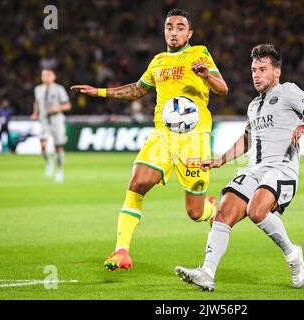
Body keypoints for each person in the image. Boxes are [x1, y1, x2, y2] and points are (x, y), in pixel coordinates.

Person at [71, 9, 228, 271]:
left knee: (195, 213)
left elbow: (223, 89)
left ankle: (211, 210)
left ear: (189, 33)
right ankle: (121, 250)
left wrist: (206, 75)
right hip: (162, 135)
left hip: (194, 139)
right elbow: (137, 90)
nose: (174, 31)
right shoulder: (157, 61)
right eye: (169, 27)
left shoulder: (200, 53)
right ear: (164, 31)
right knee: (137, 183)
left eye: (180, 27)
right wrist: (98, 92)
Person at [174, 44, 304, 291]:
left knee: (257, 210)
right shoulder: (254, 105)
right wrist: (220, 160)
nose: (256, 74)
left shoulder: (288, 91)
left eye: (262, 69)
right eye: (254, 69)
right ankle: (207, 272)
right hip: (253, 169)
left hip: (282, 168)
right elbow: (247, 138)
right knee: (223, 214)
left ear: (276, 72)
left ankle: (292, 254)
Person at [31, 69, 71, 183]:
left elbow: (67, 105)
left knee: (58, 147)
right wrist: (35, 112)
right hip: (44, 120)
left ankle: (59, 170)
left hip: (57, 120)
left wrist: (57, 108)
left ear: (54, 77)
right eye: (44, 75)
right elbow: (36, 102)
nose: (46, 77)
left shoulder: (59, 89)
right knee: (43, 145)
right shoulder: (38, 89)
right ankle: (49, 161)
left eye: (48, 75)